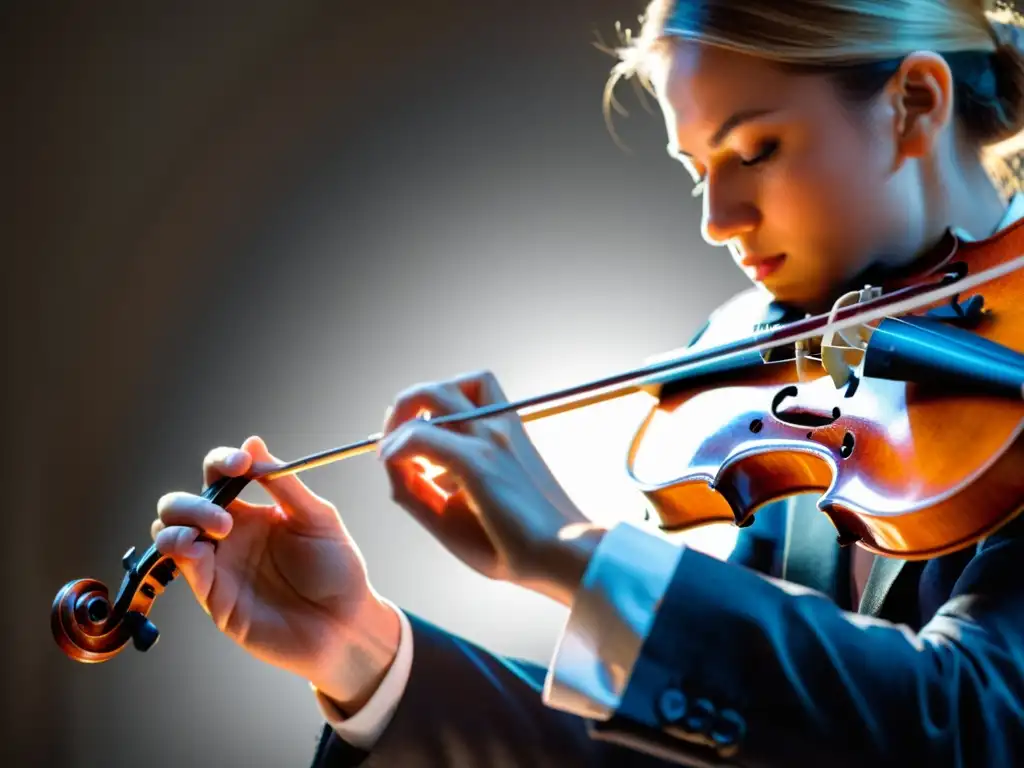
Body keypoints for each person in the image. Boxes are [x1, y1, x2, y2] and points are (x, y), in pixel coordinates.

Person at [151, 1, 1024, 765]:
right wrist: (364, 654)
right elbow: (723, 744)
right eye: (697, 171)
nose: (719, 221)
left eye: (755, 149)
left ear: (914, 103)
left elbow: (972, 725)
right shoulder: (806, 396)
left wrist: (575, 550)